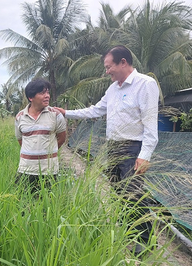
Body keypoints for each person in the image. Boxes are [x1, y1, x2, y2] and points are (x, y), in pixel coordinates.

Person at [54, 45, 159, 254]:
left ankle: (146, 242)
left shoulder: (145, 84)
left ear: (123, 62)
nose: (107, 71)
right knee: (118, 193)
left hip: (133, 148)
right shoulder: (112, 89)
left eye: (109, 66)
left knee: (133, 194)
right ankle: (130, 232)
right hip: (113, 147)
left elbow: (150, 124)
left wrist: (144, 155)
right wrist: (66, 112)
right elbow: (95, 110)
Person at [15, 78, 67, 193]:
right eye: (42, 93)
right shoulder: (20, 117)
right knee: (25, 204)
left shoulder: (55, 114)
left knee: (47, 205)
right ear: (31, 97)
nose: (47, 96)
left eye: (48, 92)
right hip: (26, 169)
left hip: (49, 170)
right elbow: (21, 140)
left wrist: (49, 151)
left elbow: (62, 137)